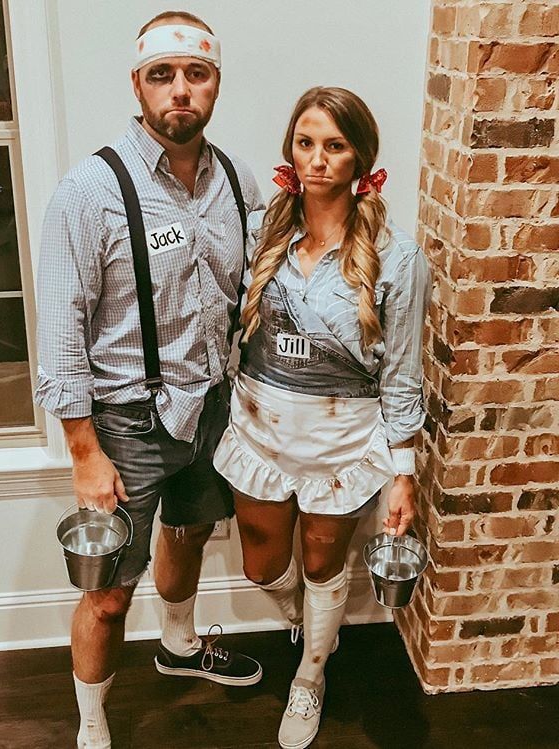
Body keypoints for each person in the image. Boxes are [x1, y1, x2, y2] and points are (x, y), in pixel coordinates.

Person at [35, 11, 264, 749]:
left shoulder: (237, 179)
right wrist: (83, 452)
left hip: (211, 405)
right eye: (162, 75)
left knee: (192, 528)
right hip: (124, 419)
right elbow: (62, 327)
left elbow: (256, 287)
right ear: (138, 84)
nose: (180, 92)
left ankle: (179, 644)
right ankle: (91, 724)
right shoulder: (89, 190)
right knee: (106, 595)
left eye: (196, 74)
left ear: (215, 83)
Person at [213, 86, 431, 749]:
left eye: (335, 146)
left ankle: (310, 674)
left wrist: (403, 472)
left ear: (360, 158)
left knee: (322, 562)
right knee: (261, 564)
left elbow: (400, 370)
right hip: (257, 427)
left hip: (343, 440)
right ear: (290, 150)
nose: (317, 158)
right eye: (305, 143)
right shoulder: (254, 231)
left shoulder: (397, 257)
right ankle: (312, 624)